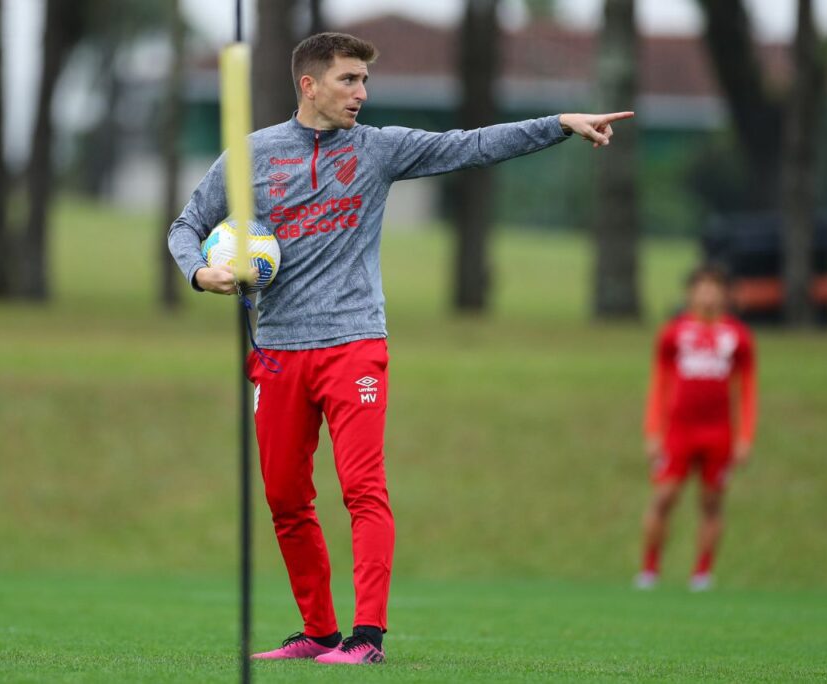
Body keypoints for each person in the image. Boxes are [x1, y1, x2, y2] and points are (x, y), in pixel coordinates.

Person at [169, 32, 633, 665]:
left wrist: (558, 124)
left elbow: (470, 146)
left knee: (363, 488)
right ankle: (319, 633)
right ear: (309, 85)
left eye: (364, 81)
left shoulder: (380, 150)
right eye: (348, 80)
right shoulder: (251, 157)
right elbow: (187, 224)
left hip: (354, 345)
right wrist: (201, 272)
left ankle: (367, 639)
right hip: (276, 352)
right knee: (283, 496)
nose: (362, 93)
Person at [636, 266, 757, 592]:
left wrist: (745, 436)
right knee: (664, 496)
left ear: (725, 294)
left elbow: (747, 389)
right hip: (678, 430)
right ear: (690, 293)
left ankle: (702, 574)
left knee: (712, 502)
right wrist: (652, 431)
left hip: (718, 433)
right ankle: (649, 569)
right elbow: (658, 384)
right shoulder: (673, 334)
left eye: (714, 287)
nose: (708, 294)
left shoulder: (738, 336)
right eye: (701, 287)